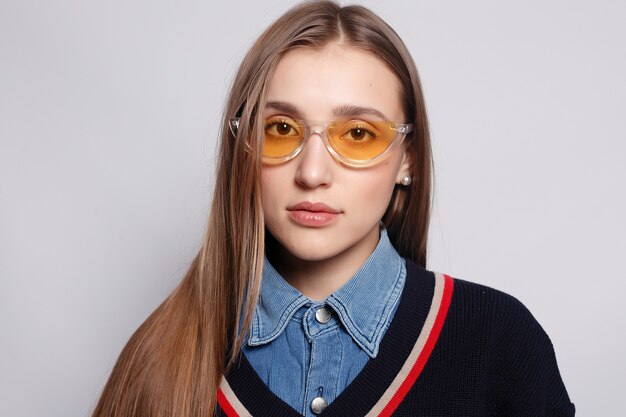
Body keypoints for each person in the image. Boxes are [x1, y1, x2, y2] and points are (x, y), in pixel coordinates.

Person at [92, 1, 575, 416]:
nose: (313, 172)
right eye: (280, 129)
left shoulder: (500, 345)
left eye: (359, 135)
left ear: (407, 159)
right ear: (242, 147)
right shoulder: (155, 360)